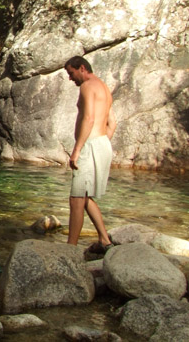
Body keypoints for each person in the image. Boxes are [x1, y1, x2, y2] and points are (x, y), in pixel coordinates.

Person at [64, 55, 116, 248]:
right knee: (85, 196)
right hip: (102, 143)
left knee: (76, 199)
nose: (71, 78)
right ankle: (104, 239)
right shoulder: (103, 87)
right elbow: (112, 123)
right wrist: (101, 144)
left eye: (71, 73)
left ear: (82, 68)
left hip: (90, 144)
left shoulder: (87, 86)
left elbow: (89, 118)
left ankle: (71, 248)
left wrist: (78, 150)